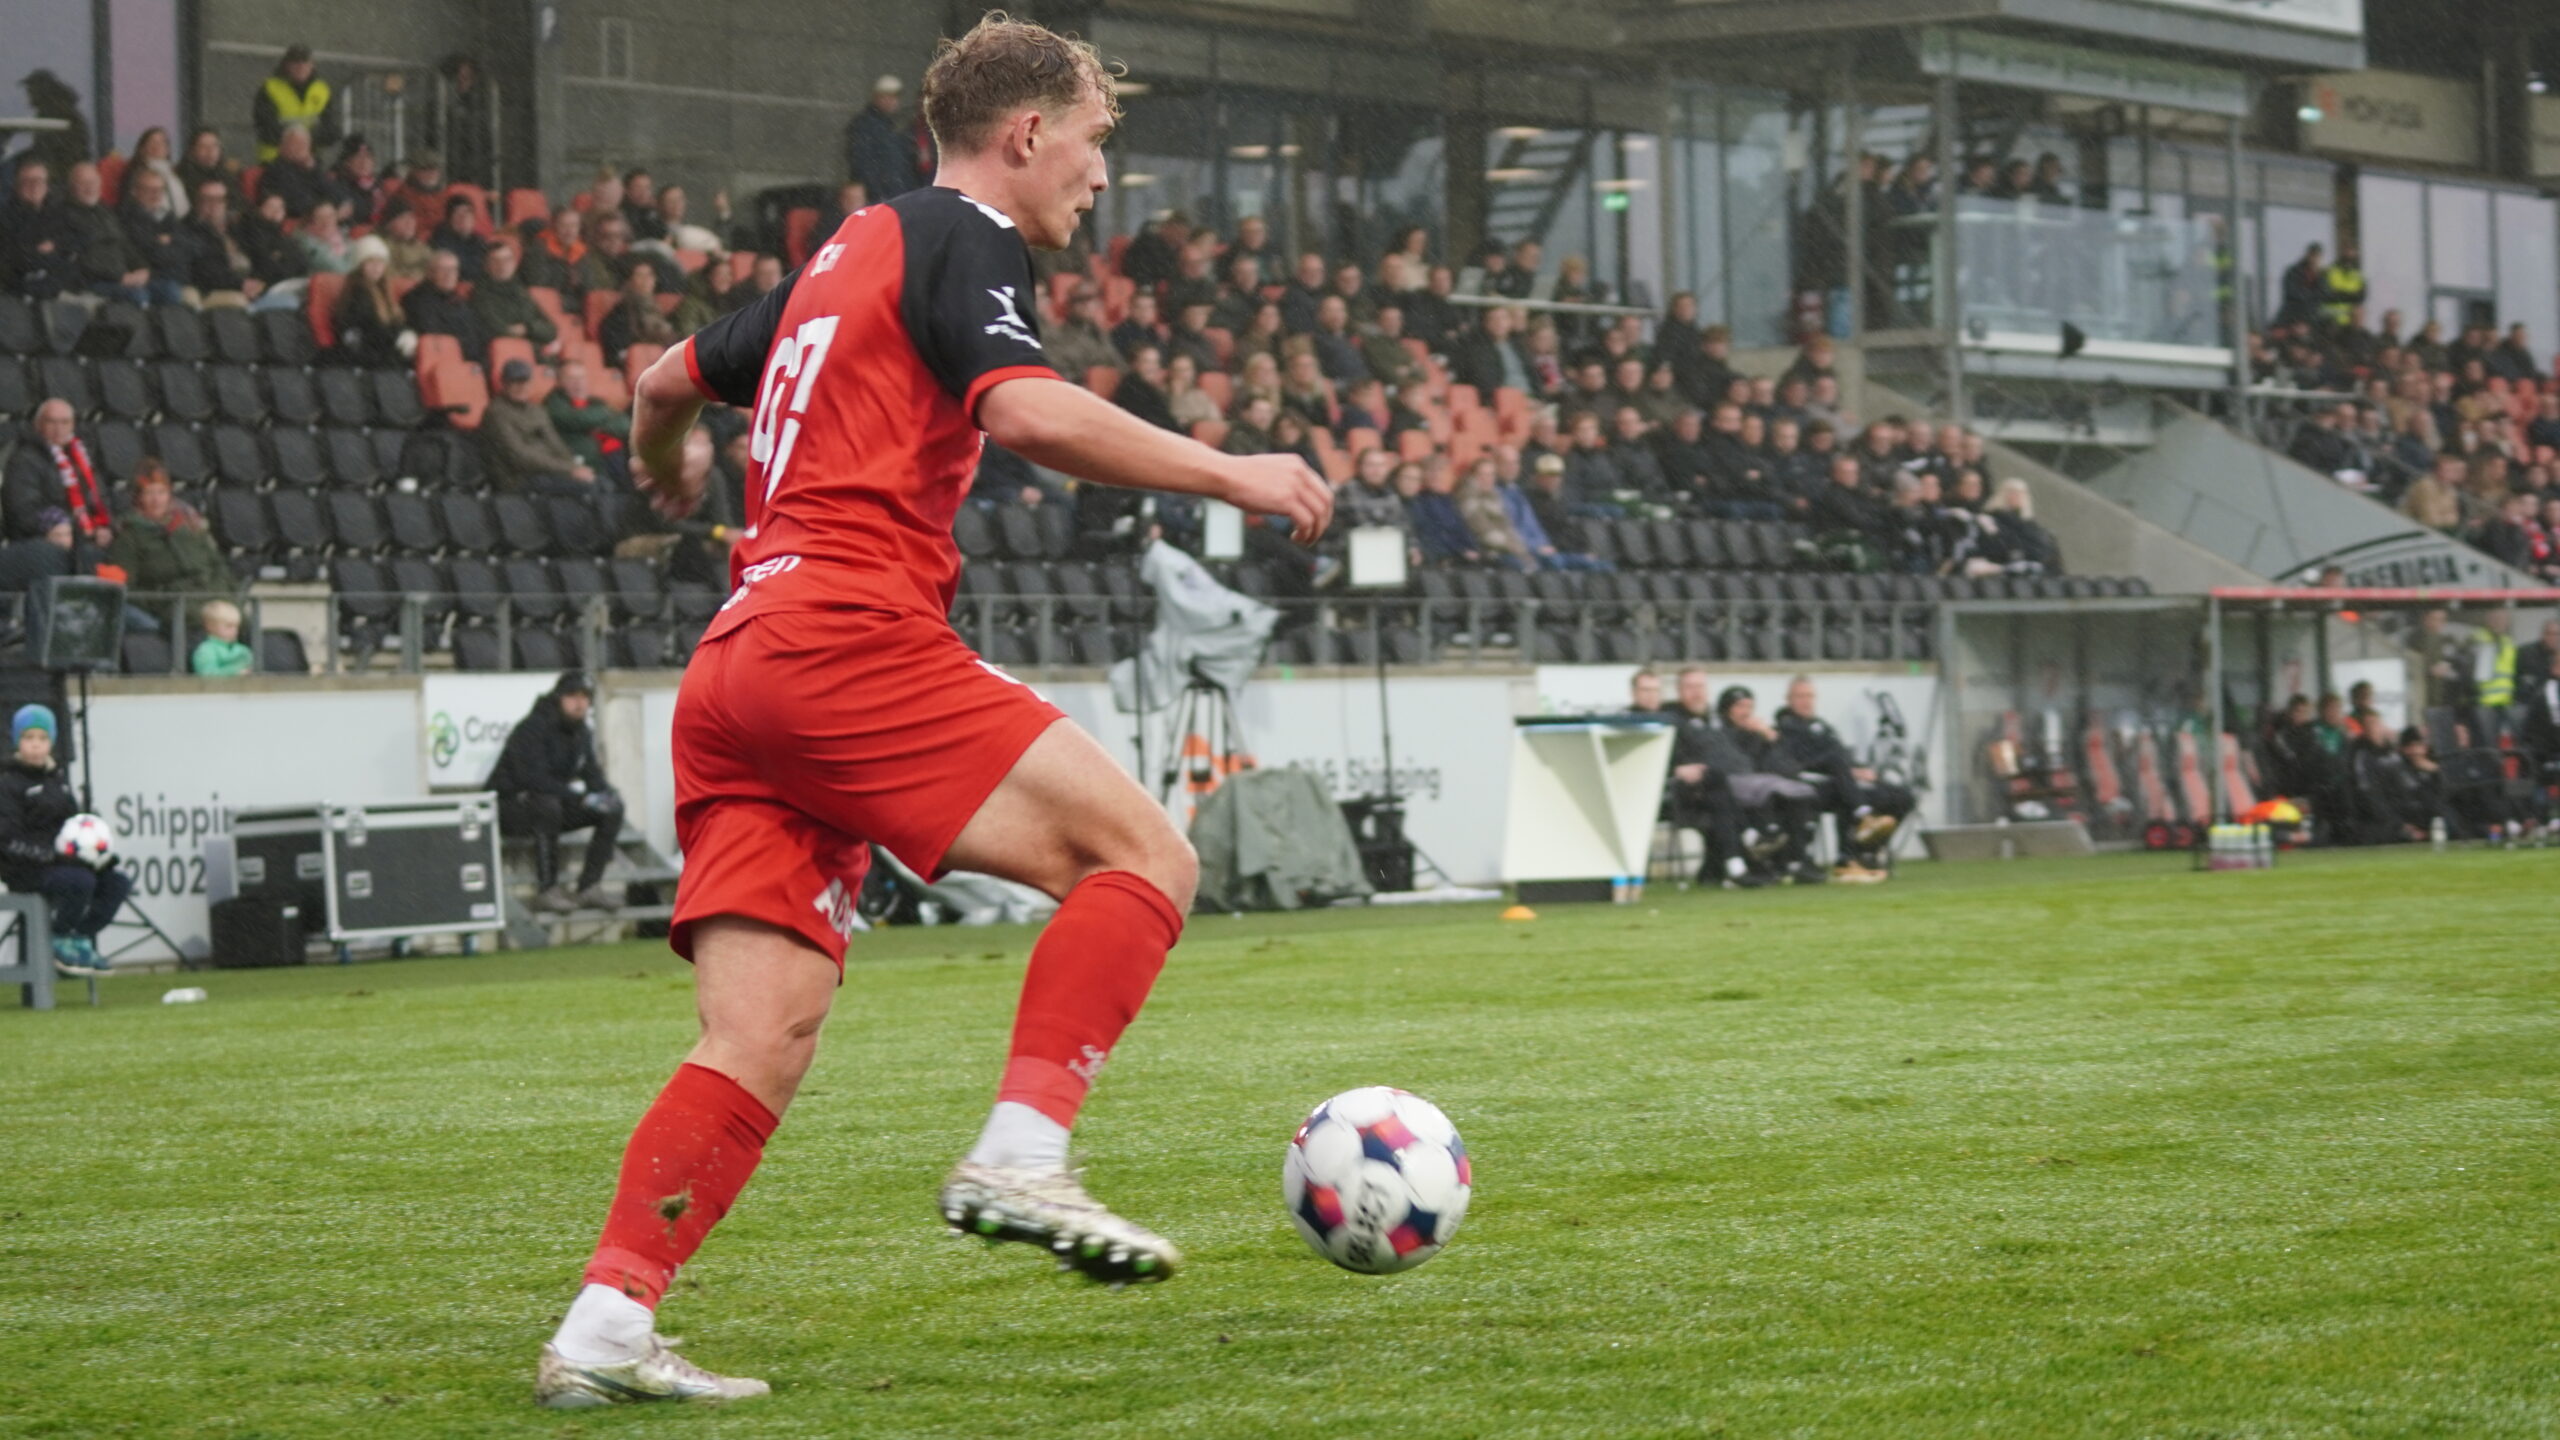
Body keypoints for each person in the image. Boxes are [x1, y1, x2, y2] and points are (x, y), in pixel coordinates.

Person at [541, 17, 1334, 1407]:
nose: (1100, 176)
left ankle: (608, 1321)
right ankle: (1024, 1153)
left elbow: (662, 381)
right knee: (1144, 857)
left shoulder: (844, 257)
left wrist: (666, 474)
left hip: (737, 662)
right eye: (1094, 143)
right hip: (842, 632)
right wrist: (1234, 472)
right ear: (1026, 134)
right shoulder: (966, 231)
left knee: (762, 1031)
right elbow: (1023, 412)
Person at [0, 706, 129, 978]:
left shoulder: (59, 782)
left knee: (116, 882)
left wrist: (97, 853)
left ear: (52, 742)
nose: (36, 745)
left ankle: (79, 937)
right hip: (24, 869)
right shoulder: (8, 784)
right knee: (79, 881)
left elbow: (75, 823)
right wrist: (53, 856)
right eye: (28, 738)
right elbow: (7, 840)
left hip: (63, 864)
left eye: (42, 739)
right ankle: (58, 938)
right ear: (17, 741)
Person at [489, 672, 625, 914]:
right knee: (546, 804)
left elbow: (591, 774)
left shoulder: (582, 732)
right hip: (507, 808)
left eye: (585, 698)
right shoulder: (533, 727)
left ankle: (589, 886)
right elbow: (533, 780)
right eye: (573, 696)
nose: (579, 703)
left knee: (612, 808)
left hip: (549, 805)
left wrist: (604, 794)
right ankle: (547, 889)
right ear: (558, 698)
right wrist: (582, 798)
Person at [1772, 676, 1911, 881]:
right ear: (1788, 699)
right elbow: (1799, 764)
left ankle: (1869, 848)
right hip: (1813, 786)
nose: (1806, 701)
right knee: (1843, 791)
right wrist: (1841, 768)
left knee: (1901, 796)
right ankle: (1849, 853)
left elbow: (1842, 754)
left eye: (1810, 696)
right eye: (1800, 696)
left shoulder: (1822, 727)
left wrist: (1857, 769)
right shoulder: (1783, 730)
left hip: (1844, 780)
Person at [107, 460, 231, 601]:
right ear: (138, 498)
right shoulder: (129, 535)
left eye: (161, 492)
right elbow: (130, 589)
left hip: (212, 596)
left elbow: (218, 565)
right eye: (149, 493)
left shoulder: (191, 524)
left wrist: (222, 593)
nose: (156, 500)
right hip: (170, 604)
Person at [4, 399, 111, 547]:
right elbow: (23, 512)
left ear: (73, 425)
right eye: (51, 422)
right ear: (38, 425)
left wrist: (106, 526)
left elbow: (101, 497)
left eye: (65, 422)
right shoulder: (24, 459)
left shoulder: (81, 456)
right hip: (44, 542)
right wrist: (68, 526)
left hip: (85, 537)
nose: (58, 429)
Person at [483, 359, 596, 494]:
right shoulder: (496, 413)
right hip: (517, 478)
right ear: (504, 384)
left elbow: (556, 444)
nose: (522, 387)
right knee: (584, 488)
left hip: (547, 472)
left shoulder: (536, 410)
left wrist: (575, 467)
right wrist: (568, 469)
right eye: (516, 382)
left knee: (601, 484)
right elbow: (518, 456)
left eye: (525, 382)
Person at [331, 236, 413, 367]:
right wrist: (398, 337)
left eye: (380, 262)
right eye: (370, 262)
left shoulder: (384, 290)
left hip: (380, 349)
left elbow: (395, 322)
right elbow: (372, 328)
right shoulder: (358, 292)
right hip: (364, 353)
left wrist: (405, 333)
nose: (376, 267)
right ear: (360, 265)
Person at [0, 160, 75, 301]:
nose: (34, 186)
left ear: (47, 186)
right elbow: (15, 261)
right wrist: (53, 253)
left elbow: (76, 245)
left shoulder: (58, 213)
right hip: (20, 295)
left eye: (39, 181)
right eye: (27, 181)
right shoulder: (6, 218)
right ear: (17, 187)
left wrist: (55, 247)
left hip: (59, 288)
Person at [252, 44, 340, 163]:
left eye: (305, 62)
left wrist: (304, 142)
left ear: (312, 65)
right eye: (296, 63)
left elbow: (331, 131)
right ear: (286, 65)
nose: (301, 67)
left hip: (309, 162)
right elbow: (266, 129)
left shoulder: (322, 90)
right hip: (273, 161)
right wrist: (300, 141)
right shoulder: (270, 89)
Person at [846, 73, 924, 201]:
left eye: (895, 97)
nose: (892, 101)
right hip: (881, 198)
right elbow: (862, 164)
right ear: (876, 97)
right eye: (886, 96)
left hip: (897, 196)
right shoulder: (864, 126)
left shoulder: (895, 126)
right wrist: (878, 193)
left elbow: (904, 166)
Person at [403, 248, 491, 360]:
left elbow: (477, 334)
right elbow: (432, 333)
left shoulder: (460, 300)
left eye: (453, 269)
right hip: (441, 362)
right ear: (430, 273)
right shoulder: (416, 299)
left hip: (468, 363)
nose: (449, 274)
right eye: (443, 269)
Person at [470, 241, 557, 351]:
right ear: (487, 266)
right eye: (496, 261)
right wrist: (537, 338)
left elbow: (551, 329)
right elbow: (500, 331)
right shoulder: (481, 295)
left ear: (514, 263)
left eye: (507, 260)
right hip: (508, 354)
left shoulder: (521, 291)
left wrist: (527, 328)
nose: (502, 265)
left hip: (532, 352)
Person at [191, 598, 255, 676]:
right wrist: (235, 673)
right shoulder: (205, 651)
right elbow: (207, 674)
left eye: (236, 626)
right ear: (210, 626)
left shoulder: (243, 650)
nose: (234, 630)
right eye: (229, 626)